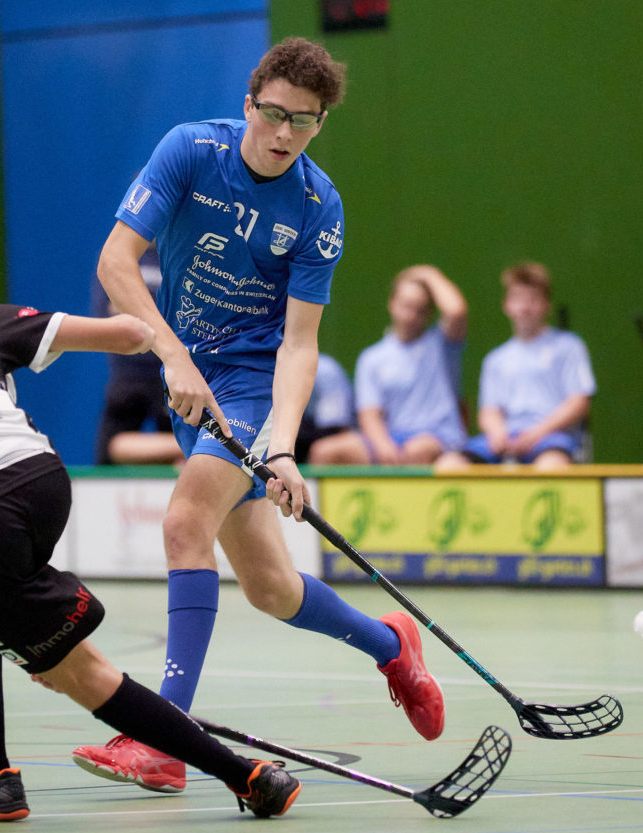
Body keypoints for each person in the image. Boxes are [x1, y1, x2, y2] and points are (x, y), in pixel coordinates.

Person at [72, 37, 445, 794]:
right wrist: (171, 354)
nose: (283, 134)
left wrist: (281, 444)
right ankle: (390, 642)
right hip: (188, 376)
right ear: (248, 104)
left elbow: (301, 344)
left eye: (303, 122)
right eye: (273, 114)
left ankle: (163, 739)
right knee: (273, 587)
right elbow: (116, 262)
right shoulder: (190, 151)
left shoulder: (318, 206)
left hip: (248, 385)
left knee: (183, 524)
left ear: (319, 125)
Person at [0, 256, 300, 821]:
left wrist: (20, 632)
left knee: (77, 672)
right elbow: (131, 333)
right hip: (41, 479)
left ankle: (248, 777)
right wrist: (177, 356)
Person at [307, 265, 467, 465]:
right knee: (324, 452)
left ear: (429, 313)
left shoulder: (442, 344)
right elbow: (369, 414)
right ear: (392, 303)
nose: (410, 316)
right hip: (392, 437)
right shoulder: (372, 358)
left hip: (438, 438)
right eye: (406, 306)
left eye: (419, 309)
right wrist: (383, 446)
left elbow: (456, 311)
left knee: (417, 450)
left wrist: (427, 273)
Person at [443, 262, 594, 471]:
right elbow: (489, 411)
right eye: (518, 299)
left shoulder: (569, 347)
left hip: (552, 440)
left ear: (546, 305)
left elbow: (579, 402)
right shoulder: (495, 359)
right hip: (506, 440)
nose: (525, 307)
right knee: (449, 465)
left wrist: (537, 433)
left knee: (550, 468)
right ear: (506, 305)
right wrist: (498, 435)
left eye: (533, 299)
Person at [92, 243, 184, 466]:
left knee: (188, 454)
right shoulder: (121, 255)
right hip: (128, 376)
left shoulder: (180, 255)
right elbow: (113, 311)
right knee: (108, 455)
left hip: (174, 374)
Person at [296, 351, 355, 463]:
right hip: (298, 438)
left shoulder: (325, 370)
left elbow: (333, 429)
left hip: (328, 436)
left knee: (322, 450)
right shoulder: (264, 370)